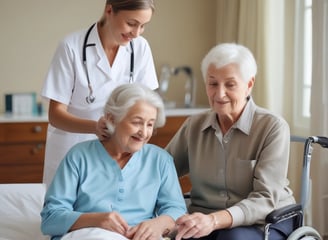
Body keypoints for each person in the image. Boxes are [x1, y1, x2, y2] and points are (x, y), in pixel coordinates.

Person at [165, 43, 296, 240]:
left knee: (232, 238)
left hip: (265, 221)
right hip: (205, 220)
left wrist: (213, 221)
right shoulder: (194, 125)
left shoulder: (272, 127)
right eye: (213, 83)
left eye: (230, 84)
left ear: (249, 84)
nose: (219, 94)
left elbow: (265, 198)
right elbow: (162, 170)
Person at [40, 83, 187, 240]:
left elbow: (176, 209)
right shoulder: (79, 156)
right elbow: (50, 218)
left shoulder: (160, 160)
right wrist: (98, 220)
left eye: (150, 124)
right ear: (112, 118)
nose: (144, 132)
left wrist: (159, 223)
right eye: (137, 122)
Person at [41, 0, 158, 186]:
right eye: (131, 23)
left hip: (119, 152)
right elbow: (55, 115)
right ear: (109, 10)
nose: (136, 33)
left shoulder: (140, 48)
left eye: (143, 26)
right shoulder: (71, 47)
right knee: (67, 210)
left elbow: (148, 105)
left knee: (114, 212)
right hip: (72, 147)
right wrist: (95, 127)